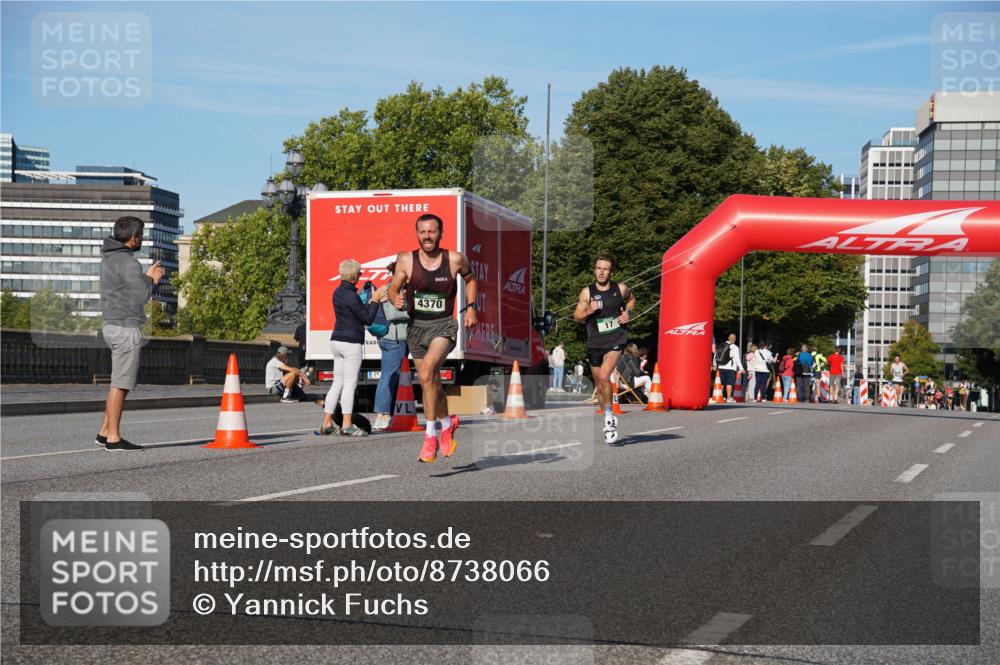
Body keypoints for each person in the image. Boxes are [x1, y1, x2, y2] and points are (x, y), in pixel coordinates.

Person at [389, 213, 477, 463]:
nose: (427, 236)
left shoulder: (455, 259)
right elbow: (394, 287)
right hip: (416, 328)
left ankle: (430, 437)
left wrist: (472, 306)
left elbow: (471, 279)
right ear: (417, 233)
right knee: (431, 381)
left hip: (443, 326)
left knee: (427, 373)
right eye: (423, 232)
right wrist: (395, 296)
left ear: (441, 232)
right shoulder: (406, 260)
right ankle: (447, 424)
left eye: (432, 231)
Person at [95, 216, 164, 452]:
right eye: (141, 236)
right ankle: (114, 437)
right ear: (134, 237)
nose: (141, 240)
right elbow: (141, 297)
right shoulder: (128, 261)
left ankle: (105, 431)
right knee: (121, 384)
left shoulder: (109, 257)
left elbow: (125, 287)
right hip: (126, 328)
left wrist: (144, 277)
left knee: (118, 382)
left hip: (111, 324)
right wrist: (153, 281)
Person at [319, 259, 388, 437]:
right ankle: (347, 425)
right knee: (350, 385)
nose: (360, 276)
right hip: (351, 343)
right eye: (359, 274)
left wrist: (372, 302)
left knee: (337, 383)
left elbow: (355, 312)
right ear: (355, 276)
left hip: (336, 340)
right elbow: (367, 319)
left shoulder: (338, 292)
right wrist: (375, 300)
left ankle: (327, 423)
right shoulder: (351, 295)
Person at [573, 253, 635, 444]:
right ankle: (607, 412)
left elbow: (631, 299)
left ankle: (609, 420)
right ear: (595, 270)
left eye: (605, 269)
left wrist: (629, 313)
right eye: (598, 268)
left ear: (611, 272)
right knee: (600, 387)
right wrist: (590, 311)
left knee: (603, 377)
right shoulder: (587, 292)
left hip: (616, 338)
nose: (601, 272)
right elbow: (577, 317)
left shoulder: (620, 289)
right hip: (594, 343)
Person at [372, 262, 412, 432]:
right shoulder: (391, 289)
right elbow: (393, 313)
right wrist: (412, 310)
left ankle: (385, 414)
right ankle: (382, 415)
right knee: (388, 377)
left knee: (391, 376)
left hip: (396, 339)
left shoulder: (397, 289)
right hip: (393, 339)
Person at [715, 333, 744, 403]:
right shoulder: (735, 347)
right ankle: (728, 397)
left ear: (728, 338)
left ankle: (720, 396)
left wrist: (715, 364)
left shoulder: (721, 345)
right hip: (730, 368)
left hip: (721, 366)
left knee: (721, 383)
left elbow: (716, 355)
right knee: (729, 383)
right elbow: (737, 359)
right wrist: (741, 368)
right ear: (735, 339)